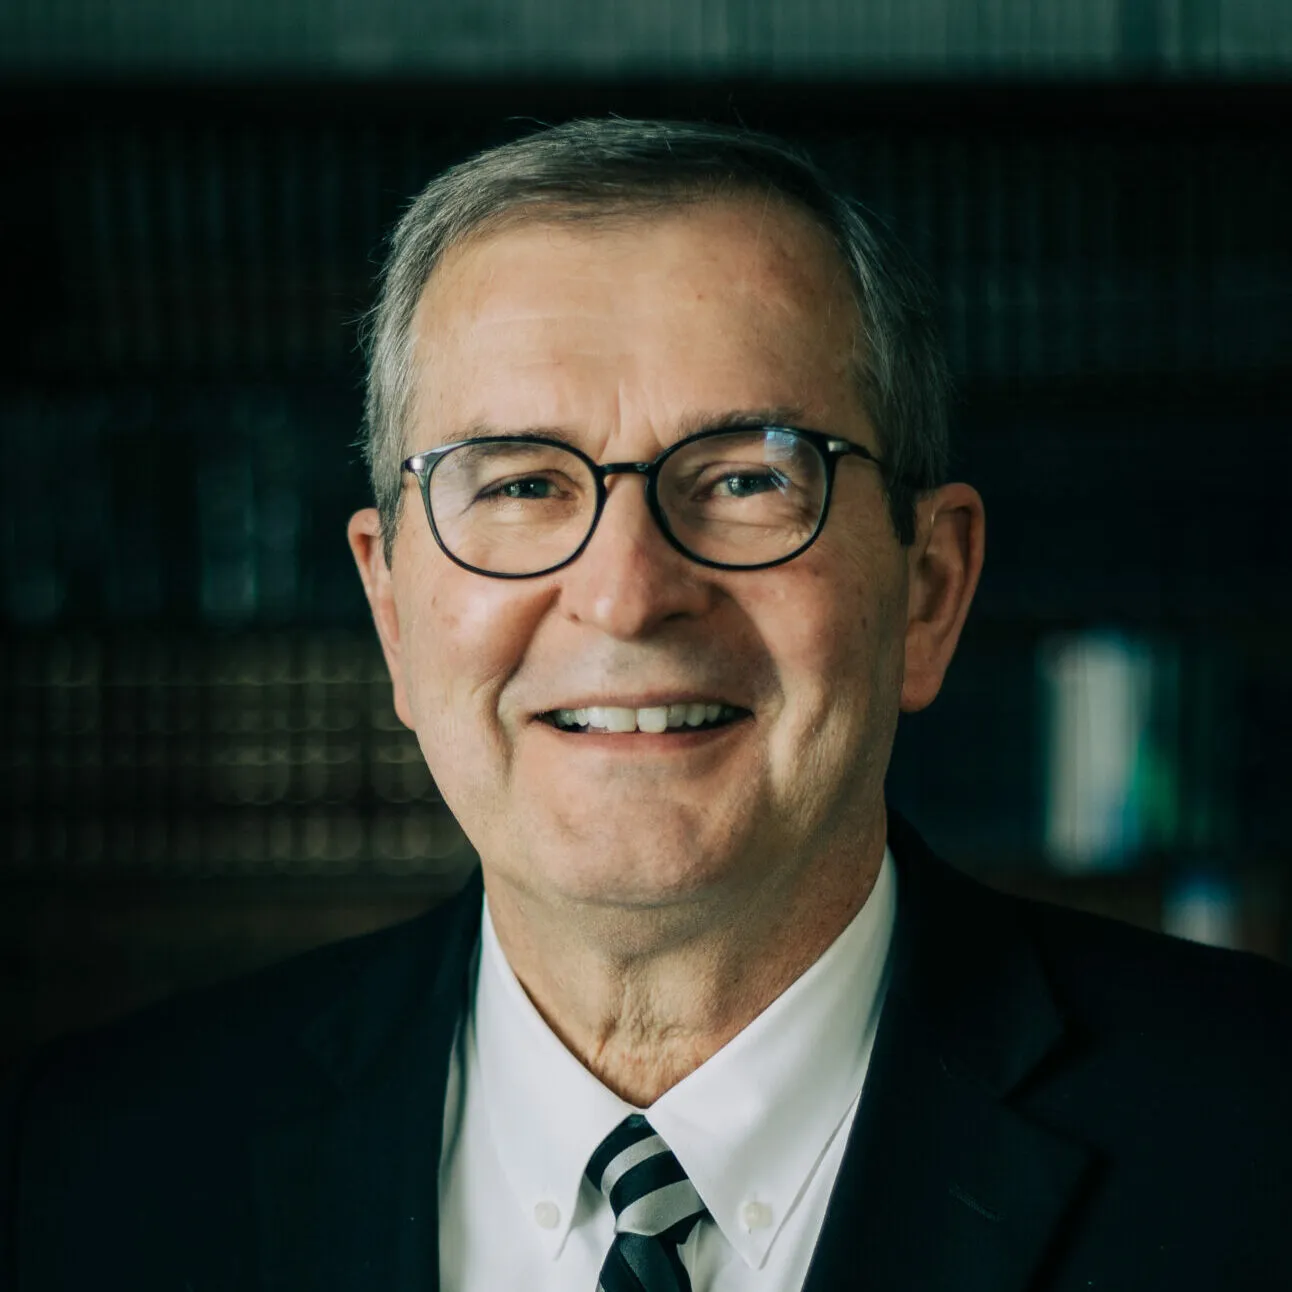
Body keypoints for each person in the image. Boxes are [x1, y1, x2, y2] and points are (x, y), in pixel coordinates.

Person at [2, 118, 1290, 1292]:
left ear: (930, 591)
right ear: (392, 610)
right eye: (519, 485)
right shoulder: (83, 1173)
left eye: (745, 479)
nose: (625, 596)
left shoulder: (1258, 1143)